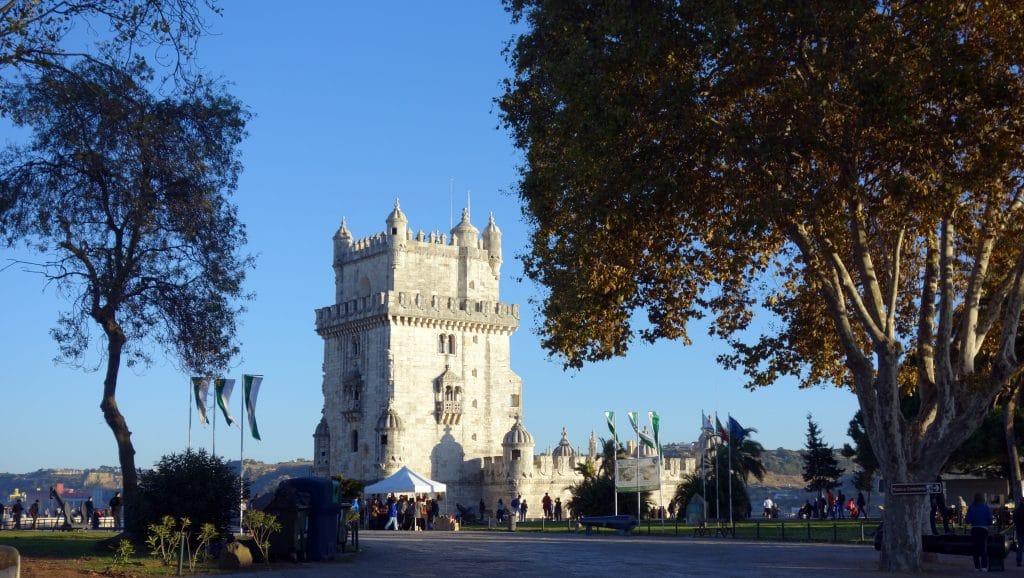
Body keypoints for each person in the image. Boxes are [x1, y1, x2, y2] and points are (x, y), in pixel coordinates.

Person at [965, 492, 992, 572]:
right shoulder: (986, 507)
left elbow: (968, 520)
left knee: (975, 548)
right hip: (983, 529)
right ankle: (984, 566)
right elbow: (990, 520)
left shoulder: (971, 507)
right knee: (984, 547)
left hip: (974, 529)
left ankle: (977, 567)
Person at [1014, 498, 1024, 567]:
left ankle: (1019, 561)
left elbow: (1014, 520)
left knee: (1020, 547)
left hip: (1019, 530)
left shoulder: (1017, 510)